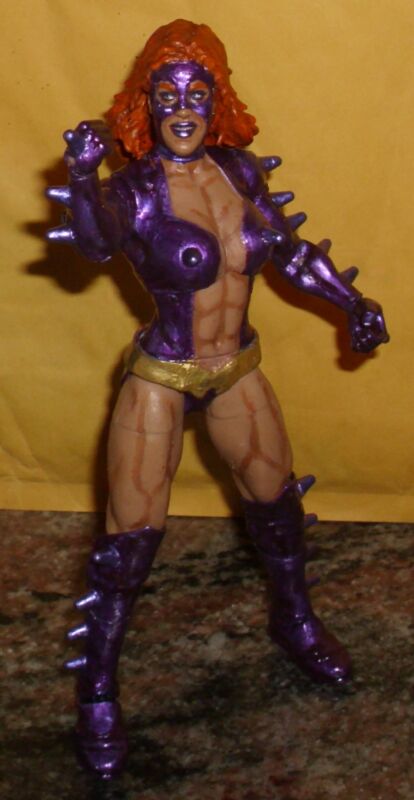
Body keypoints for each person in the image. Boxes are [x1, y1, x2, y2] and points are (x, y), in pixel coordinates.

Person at [46, 18, 389, 779]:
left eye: (196, 92)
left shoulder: (239, 173)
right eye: (166, 94)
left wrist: (351, 304)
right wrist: (82, 177)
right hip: (163, 375)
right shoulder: (136, 190)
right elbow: (96, 240)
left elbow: (288, 253)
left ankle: (294, 621)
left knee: (277, 506)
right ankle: (97, 689)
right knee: (130, 544)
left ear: (218, 100)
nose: (182, 107)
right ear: (145, 103)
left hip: (235, 367)